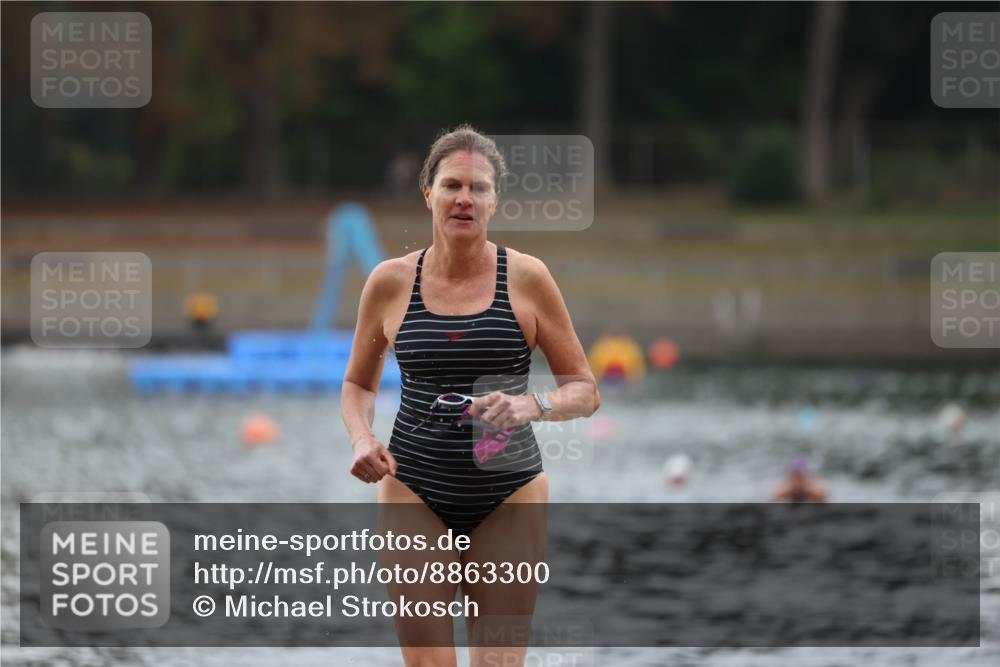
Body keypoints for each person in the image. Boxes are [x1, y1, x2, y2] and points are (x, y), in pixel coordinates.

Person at [341, 124, 600, 667]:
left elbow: (584, 389)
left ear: (495, 199)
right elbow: (359, 384)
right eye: (452, 184)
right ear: (427, 192)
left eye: (479, 187)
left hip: (510, 493)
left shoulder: (528, 278)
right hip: (413, 488)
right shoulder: (388, 283)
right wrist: (362, 438)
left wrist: (533, 405)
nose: (465, 197)